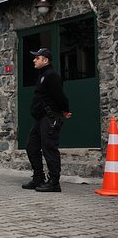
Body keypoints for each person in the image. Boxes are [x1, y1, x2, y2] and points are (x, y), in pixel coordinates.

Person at [22, 48, 71, 192]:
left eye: (37, 58)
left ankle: (54, 182)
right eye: (35, 58)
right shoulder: (42, 75)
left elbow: (60, 95)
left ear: (46, 60)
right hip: (40, 118)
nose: (34, 60)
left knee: (49, 148)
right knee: (31, 146)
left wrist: (65, 110)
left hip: (50, 117)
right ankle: (38, 177)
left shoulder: (52, 75)